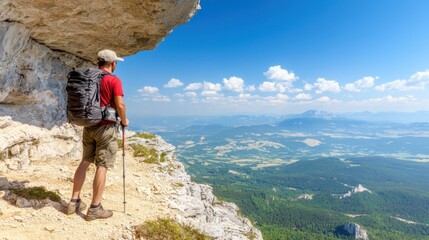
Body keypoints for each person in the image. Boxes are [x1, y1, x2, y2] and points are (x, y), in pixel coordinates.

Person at [67, 49, 129, 221]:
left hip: (89, 125)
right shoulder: (113, 80)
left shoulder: (90, 78)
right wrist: (124, 121)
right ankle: (95, 208)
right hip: (106, 127)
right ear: (113, 63)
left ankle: (74, 201)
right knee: (102, 165)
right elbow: (120, 105)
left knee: (85, 161)